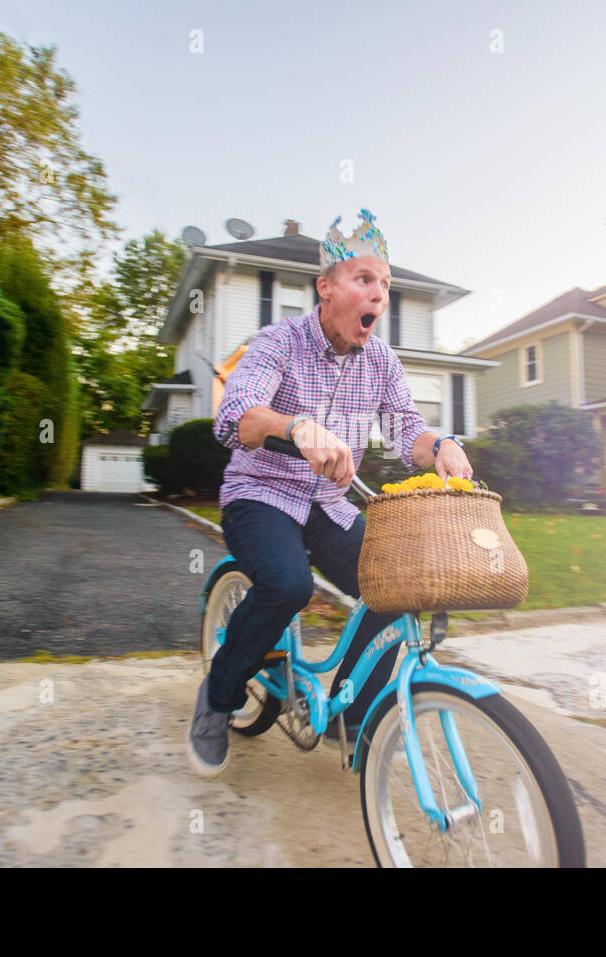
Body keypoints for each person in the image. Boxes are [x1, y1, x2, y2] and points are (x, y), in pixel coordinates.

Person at [187, 208, 474, 778]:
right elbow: (235, 417)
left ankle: (352, 710)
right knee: (288, 584)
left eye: (386, 285)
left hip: (328, 504)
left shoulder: (383, 362)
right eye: (365, 279)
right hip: (261, 493)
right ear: (326, 287)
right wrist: (294, 426)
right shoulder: (278, 341)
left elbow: (404, 431)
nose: (379, 295)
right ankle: (217, 698)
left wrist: (439, 442)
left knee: (395, 584)